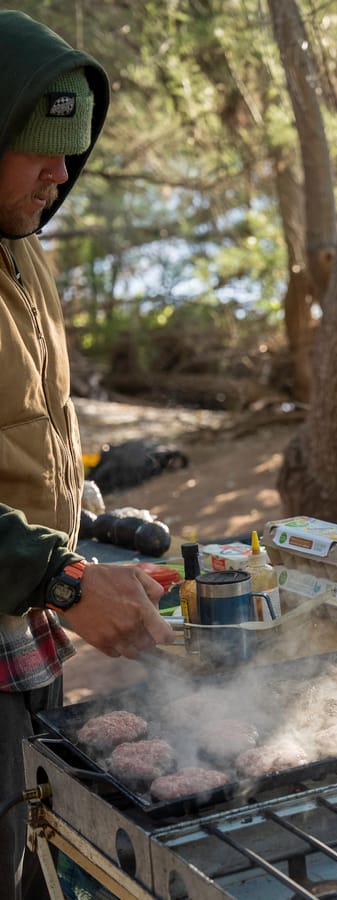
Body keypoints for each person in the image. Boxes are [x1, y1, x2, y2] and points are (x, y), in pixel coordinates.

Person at [0, 11, 175, 899]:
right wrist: (61, 580)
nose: (59, 173)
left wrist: (88, 515)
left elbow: (31, 417)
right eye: (36, 149)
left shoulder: (22, 248)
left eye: (71, 150)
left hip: (19, 620)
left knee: (36, 846)